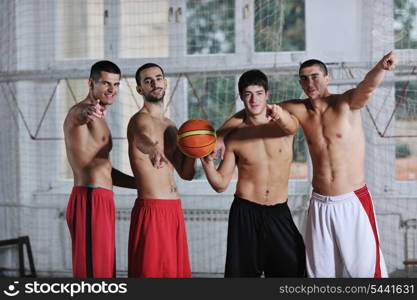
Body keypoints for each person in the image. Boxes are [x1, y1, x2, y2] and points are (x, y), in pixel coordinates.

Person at [218, 51, 397, 278]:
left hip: (352, 200)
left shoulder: (346, 103)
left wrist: (381, 67)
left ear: (327, 78)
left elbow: (367, 87)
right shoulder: (298, 109)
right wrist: (220, 136)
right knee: (319, 274)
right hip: (320, 202)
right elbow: (253, 108)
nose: (309, 82)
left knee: (365, 271)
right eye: (303, 78)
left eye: (314, 76)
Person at [201, 70, 306, 277]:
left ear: (267, 94)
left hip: (278, 211)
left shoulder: (283, 128)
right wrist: (207, 165)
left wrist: (277, 113)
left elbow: (290, 124)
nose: (254, 99)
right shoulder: (235, 137)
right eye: (248, 94)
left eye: (258, 93)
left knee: (293, 267)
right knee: (242, 277)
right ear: (241, 97)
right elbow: (220, 184)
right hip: (245, 212)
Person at [63, 61, 136, 278]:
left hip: (103, 198)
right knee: (92, 273)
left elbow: (106, 169)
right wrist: (88, 111)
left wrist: (141, 183)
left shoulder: (102, 118)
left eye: (116, 84)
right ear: (90, 83)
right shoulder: (81, 111)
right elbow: (79, 113)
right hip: (89, 198)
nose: (112, 90)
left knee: (104, 270)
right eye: (106, 83)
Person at [127, 63, 196, 278]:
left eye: (158, 78)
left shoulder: (171, 126)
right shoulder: (138, 120)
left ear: (165, 83)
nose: (155, 83)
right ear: (140, 89)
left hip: (174, 210)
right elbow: (141, 138)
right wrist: (154, 149)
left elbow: (186, 174)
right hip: (152, 210)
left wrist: (196, 153)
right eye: (148, 81)